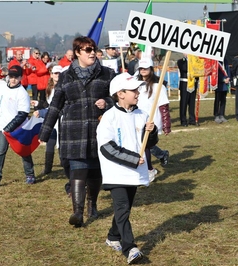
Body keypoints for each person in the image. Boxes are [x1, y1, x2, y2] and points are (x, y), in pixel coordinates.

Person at [38, 36, 116, 228]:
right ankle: (77, 213)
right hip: (73, 132)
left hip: (98, 131)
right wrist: (44, 134)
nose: (92, 53)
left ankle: (93, 203)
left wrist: (107, 102)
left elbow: (119, 98)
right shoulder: (65, 76)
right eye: (87, 50)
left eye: (93, 49)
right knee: (77, 170)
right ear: (78, 53)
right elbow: (55, 106)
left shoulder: (107, 74)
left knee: (95, 171)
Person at [97, 72, 158, 265]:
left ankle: (113, 237)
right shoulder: (109, 117)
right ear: (120, 93)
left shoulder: (142, 114)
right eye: (133, 90)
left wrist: (152, 132)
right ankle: (130, 248)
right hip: (116, 172)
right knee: (122, 207)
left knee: (124, 209)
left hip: (134, 173)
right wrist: (132, 159)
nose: (137, 92)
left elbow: (148, 143)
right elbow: (107, 147)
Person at [136, 58, 171, 182]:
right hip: (137, 119)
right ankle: (155, 162)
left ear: (151, 69)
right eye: (141, 68)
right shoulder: (136, 84)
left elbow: (164, 106)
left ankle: (150, 170)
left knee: (144, 145)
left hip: (152, 120)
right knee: (142, 145)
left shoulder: (158, 86)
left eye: (145, 68)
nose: (143, 71)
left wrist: (167, 125)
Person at [32, 65, 62, 175]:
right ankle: (47, 168)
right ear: (51, 74)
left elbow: (56, 107)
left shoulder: (62, 88)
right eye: (55, 73)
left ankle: (65, 166)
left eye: (59, 73)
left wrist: (42, 112)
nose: (57, 75)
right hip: (52, 120)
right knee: (50, 143)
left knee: (60, 144)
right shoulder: (50, 88)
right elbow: (48, 104)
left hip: (60, 119)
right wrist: (38, 104)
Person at [177, 54, 198, 127]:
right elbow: (184, 68)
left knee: (192, 103)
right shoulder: (180, 61)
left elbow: (198, 71)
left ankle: (192, 119)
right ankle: (183, 120)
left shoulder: (195, 61)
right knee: (184, 103)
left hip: (193, 84)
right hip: (185, 84)